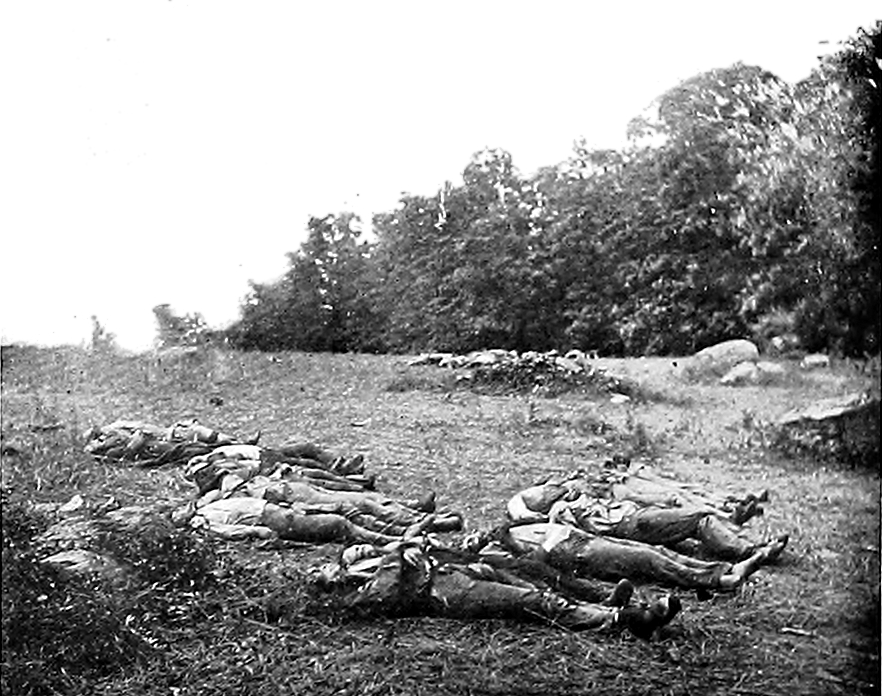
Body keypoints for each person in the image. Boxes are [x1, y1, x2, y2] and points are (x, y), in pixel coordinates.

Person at [314, 535, 682, 639]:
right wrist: (397, 553)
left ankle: (610, 609)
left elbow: (410, 555)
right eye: (324, 572)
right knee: (532, 601)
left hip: (458, 572)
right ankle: (626, 621)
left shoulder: (373, 562)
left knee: (536, 588)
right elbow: (385, 595)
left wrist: (406, 549)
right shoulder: (357, 594)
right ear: (332, 584)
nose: (356, 552)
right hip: (448, 594)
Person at [184, 445, 462, 537]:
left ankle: (416, 514)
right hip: (288, 497)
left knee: (361, 500)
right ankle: (420, 522)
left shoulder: (225, 477)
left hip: (290, 488)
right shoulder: (211, 500)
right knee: (359, 505)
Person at [500, 522, 788, 592]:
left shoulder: (525, 523)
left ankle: (726, 569)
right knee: (648, 560)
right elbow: (535, 562)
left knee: (657, 552)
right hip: (580, 553)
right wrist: (509, 541)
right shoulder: (499, 550)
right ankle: (721, 581)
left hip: (584, 539)